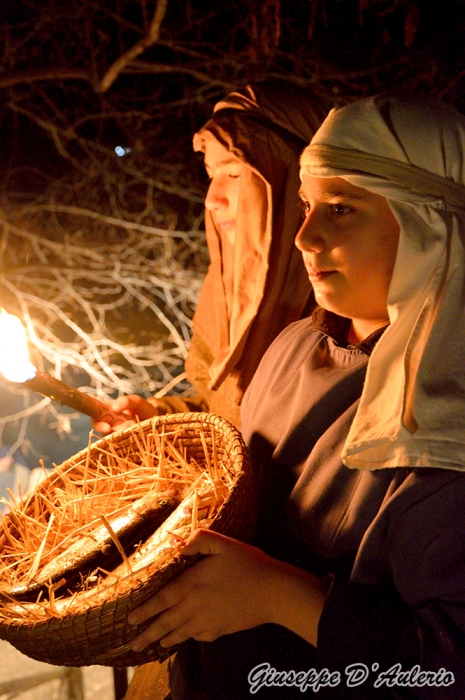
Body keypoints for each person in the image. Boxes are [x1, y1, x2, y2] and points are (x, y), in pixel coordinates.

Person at [124, 93, 465, 700]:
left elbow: (445, 672)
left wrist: (284, 599)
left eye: (341, 207)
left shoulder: (448, 412)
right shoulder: (293, 346)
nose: (306, 236)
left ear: (429, 227)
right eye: (307, 205)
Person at [94, 81, 326, 433]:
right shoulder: (225, 287)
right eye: (210, 173)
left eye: (233, 173)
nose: (212, 198)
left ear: (292, 179)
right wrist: (157, 418)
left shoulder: (345, 305)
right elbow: (223, 410)